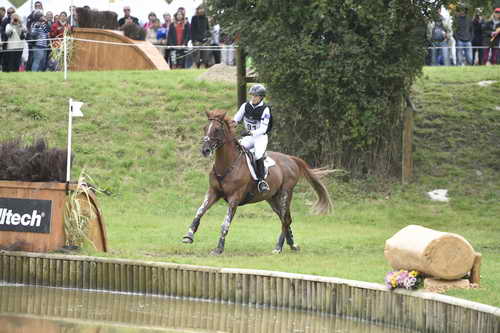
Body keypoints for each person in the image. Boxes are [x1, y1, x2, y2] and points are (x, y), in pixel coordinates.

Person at [233, 84, 273, 193]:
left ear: (261, 97)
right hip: (249, 137)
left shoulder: (265, 109)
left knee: (258, 155)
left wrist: (250, 132)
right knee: (237, 148)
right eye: (252, 95)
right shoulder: (245, 106)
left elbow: (263, 128)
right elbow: (237, 117)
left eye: (255, 96)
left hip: (260, 137)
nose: (253, 98)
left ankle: (261, 181)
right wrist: (233, 123)